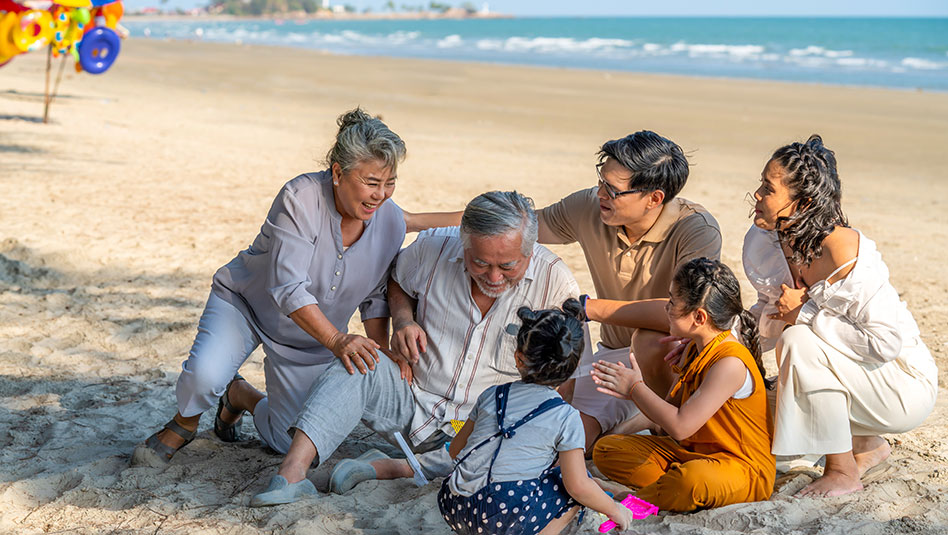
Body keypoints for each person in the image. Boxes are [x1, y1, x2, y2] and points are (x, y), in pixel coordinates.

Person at [131, 108, 459, 467]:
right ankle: (185, 421)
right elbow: (288, 287)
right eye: (370, 182)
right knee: (204, 379)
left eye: (389, 182)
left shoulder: (391, 222)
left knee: (292, 442)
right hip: (245, 306)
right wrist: (338, 340)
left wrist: (381, 351)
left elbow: (374, 298)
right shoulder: (299, 196)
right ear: (338, 173)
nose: (380, 195)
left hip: (307, 339)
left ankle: (240, 395)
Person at [249, 191, 588, 506]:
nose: (494, 277)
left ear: (530, 252)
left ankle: (391, 466)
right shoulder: (433, 248)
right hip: (410, 396)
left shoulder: (555, 281)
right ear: (464, 243)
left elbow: (566, 373)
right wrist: (403, 318)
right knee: (357, 358)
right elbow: (396, 278)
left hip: (482, 427)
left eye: (508, 266)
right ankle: (290, 475)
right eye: (481, 263)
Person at [746, 135, 937, 497]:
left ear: (801, 203)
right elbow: (769, 312)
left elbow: (884, 342)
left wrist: (804, 313)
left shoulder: (844, 252)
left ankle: (842, 470)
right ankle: (867, 446)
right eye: (760, 184)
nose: (756, 195)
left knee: (797, 340)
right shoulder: (768, 239)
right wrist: (722, 339)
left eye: (767, 189)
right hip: (860, 377)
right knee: (759, 413)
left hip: (901, 384)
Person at [536, 130, 722, 450]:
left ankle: (659, 419)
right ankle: (637, 421)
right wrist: (418, 222)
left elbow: (684, 314)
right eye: (601, 180)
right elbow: (512, 227)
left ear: (654, 198)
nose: (600, 193)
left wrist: (588, 308)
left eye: (613, 189)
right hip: (612, 355)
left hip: (673, 360)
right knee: (566, 433)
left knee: (650, 340)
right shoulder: (590, 206)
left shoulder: (696, 229)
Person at [588, 258, 776, 512]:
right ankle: (667, 491)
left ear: (699, 317)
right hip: (691, 454)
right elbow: (671, 416)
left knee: (689, 481)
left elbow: (680, 427)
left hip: (741, 468)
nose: (666, 308)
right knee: (608, 450)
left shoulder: (729, 362)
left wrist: (635, 388)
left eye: (672, 303)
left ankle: (633, 499)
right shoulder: (696, 347)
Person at [438, 300, 632, 535]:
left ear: (519, 358)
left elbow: (456, 449)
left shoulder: (492, 394)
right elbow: (579, 487)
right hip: (503, 515)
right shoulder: (566, 416)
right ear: (574, 367)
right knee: (572, 484)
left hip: (454, 505)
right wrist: (614, 510)